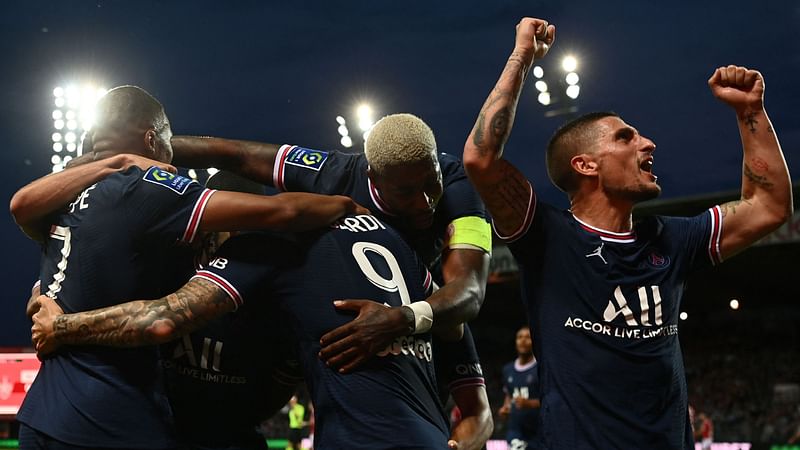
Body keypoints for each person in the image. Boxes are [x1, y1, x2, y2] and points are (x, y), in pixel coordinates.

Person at [462, 17, 792, 449]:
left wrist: (751, 111)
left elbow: (768, 206)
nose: (648, 143)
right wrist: (522, 57)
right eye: (625, 137)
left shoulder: (672, 240)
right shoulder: (547, 237)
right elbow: (480, 159)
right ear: (585, 165)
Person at [10, 86, 363, 450]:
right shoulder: (149, 187)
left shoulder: (65, 201)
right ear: (152, 139)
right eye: (169, 143)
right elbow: (283, 212)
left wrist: (43, 299)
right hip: (113, 420)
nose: (173, 159)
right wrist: (346, 204)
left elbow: (22, 208)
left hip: (42, 419)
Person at [32, 213, 453, 449]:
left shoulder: (267, 276)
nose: (210, 244)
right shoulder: (168, 270)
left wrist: (62, 325)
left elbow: (162, 320)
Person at [164, 112, 492, 373]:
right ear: (372, 178)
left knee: (470, 393)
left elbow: (470, 294)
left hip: (427, 315)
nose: (424, 203)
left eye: (430, 183)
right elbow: (233, 154)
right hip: (356, 329)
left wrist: (400, 318)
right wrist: (139, 151)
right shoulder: (335, 173)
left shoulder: (459, 185)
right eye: (405, 193)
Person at [498, 326, 540, 450]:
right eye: (520, 337)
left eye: (528, 337)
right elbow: (509, 395)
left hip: (539, 430)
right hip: (516, 430)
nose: (523, 340)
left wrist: (530, 403)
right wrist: (505, 408)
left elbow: (551, 398)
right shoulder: (508, 369)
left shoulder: (541, 368)